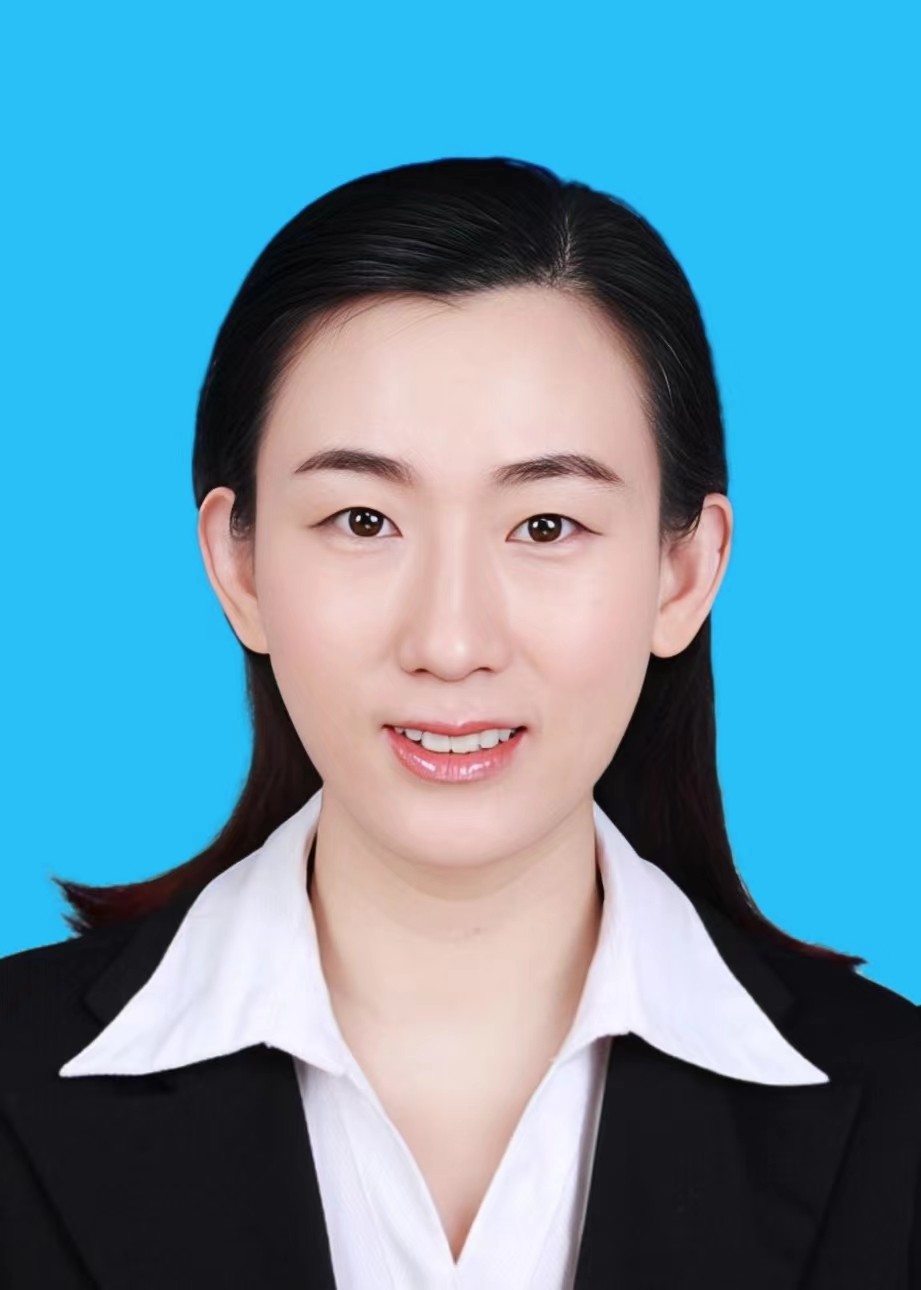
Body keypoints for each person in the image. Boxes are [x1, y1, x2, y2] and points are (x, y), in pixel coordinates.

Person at [1, 157, 919, 1289]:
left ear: (684, 572)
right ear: (238, 567)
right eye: (362, 519)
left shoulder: (900, 1116)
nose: (449, 639)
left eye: (545, 525)